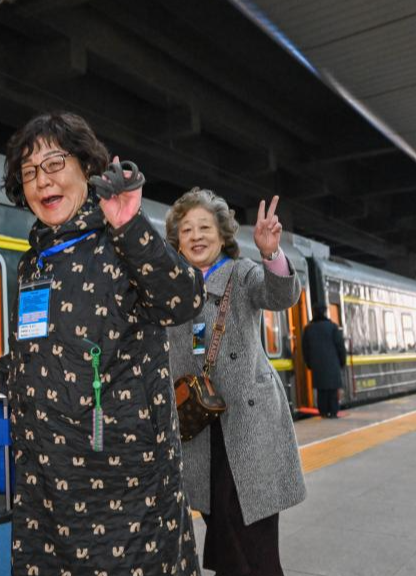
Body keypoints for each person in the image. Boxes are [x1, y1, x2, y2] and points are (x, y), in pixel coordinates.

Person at [0, 111, 204, 576]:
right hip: (46, 478)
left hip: (124, 478)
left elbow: (184, 301)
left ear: (86, 170)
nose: (41, 181)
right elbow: (39, 349)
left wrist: (133, 227)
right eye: (29, 172)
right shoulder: (34, 262)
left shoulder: (120, 238)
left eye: (54, 164)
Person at [164, 187, 306, 576]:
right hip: (199, 426)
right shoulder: (175, 288)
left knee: (250, 531)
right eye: (187, 229)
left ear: (223, 235)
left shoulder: (241, 274)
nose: (196, 236)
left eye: (205, 227)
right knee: (223, 527)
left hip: (247, 423)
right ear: (176, 240)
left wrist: (271, 254)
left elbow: (279, 295)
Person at [302, 309, 347, 418]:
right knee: (332, 390)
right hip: (333, 364)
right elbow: (340, 347)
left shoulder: (308, 329)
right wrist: (342, 362)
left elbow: (305, 349)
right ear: (325, 313)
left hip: (317, 366)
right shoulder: (332, 327)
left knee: (321, 390)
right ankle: (333, 412)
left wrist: (309, 363)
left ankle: (323, 412)